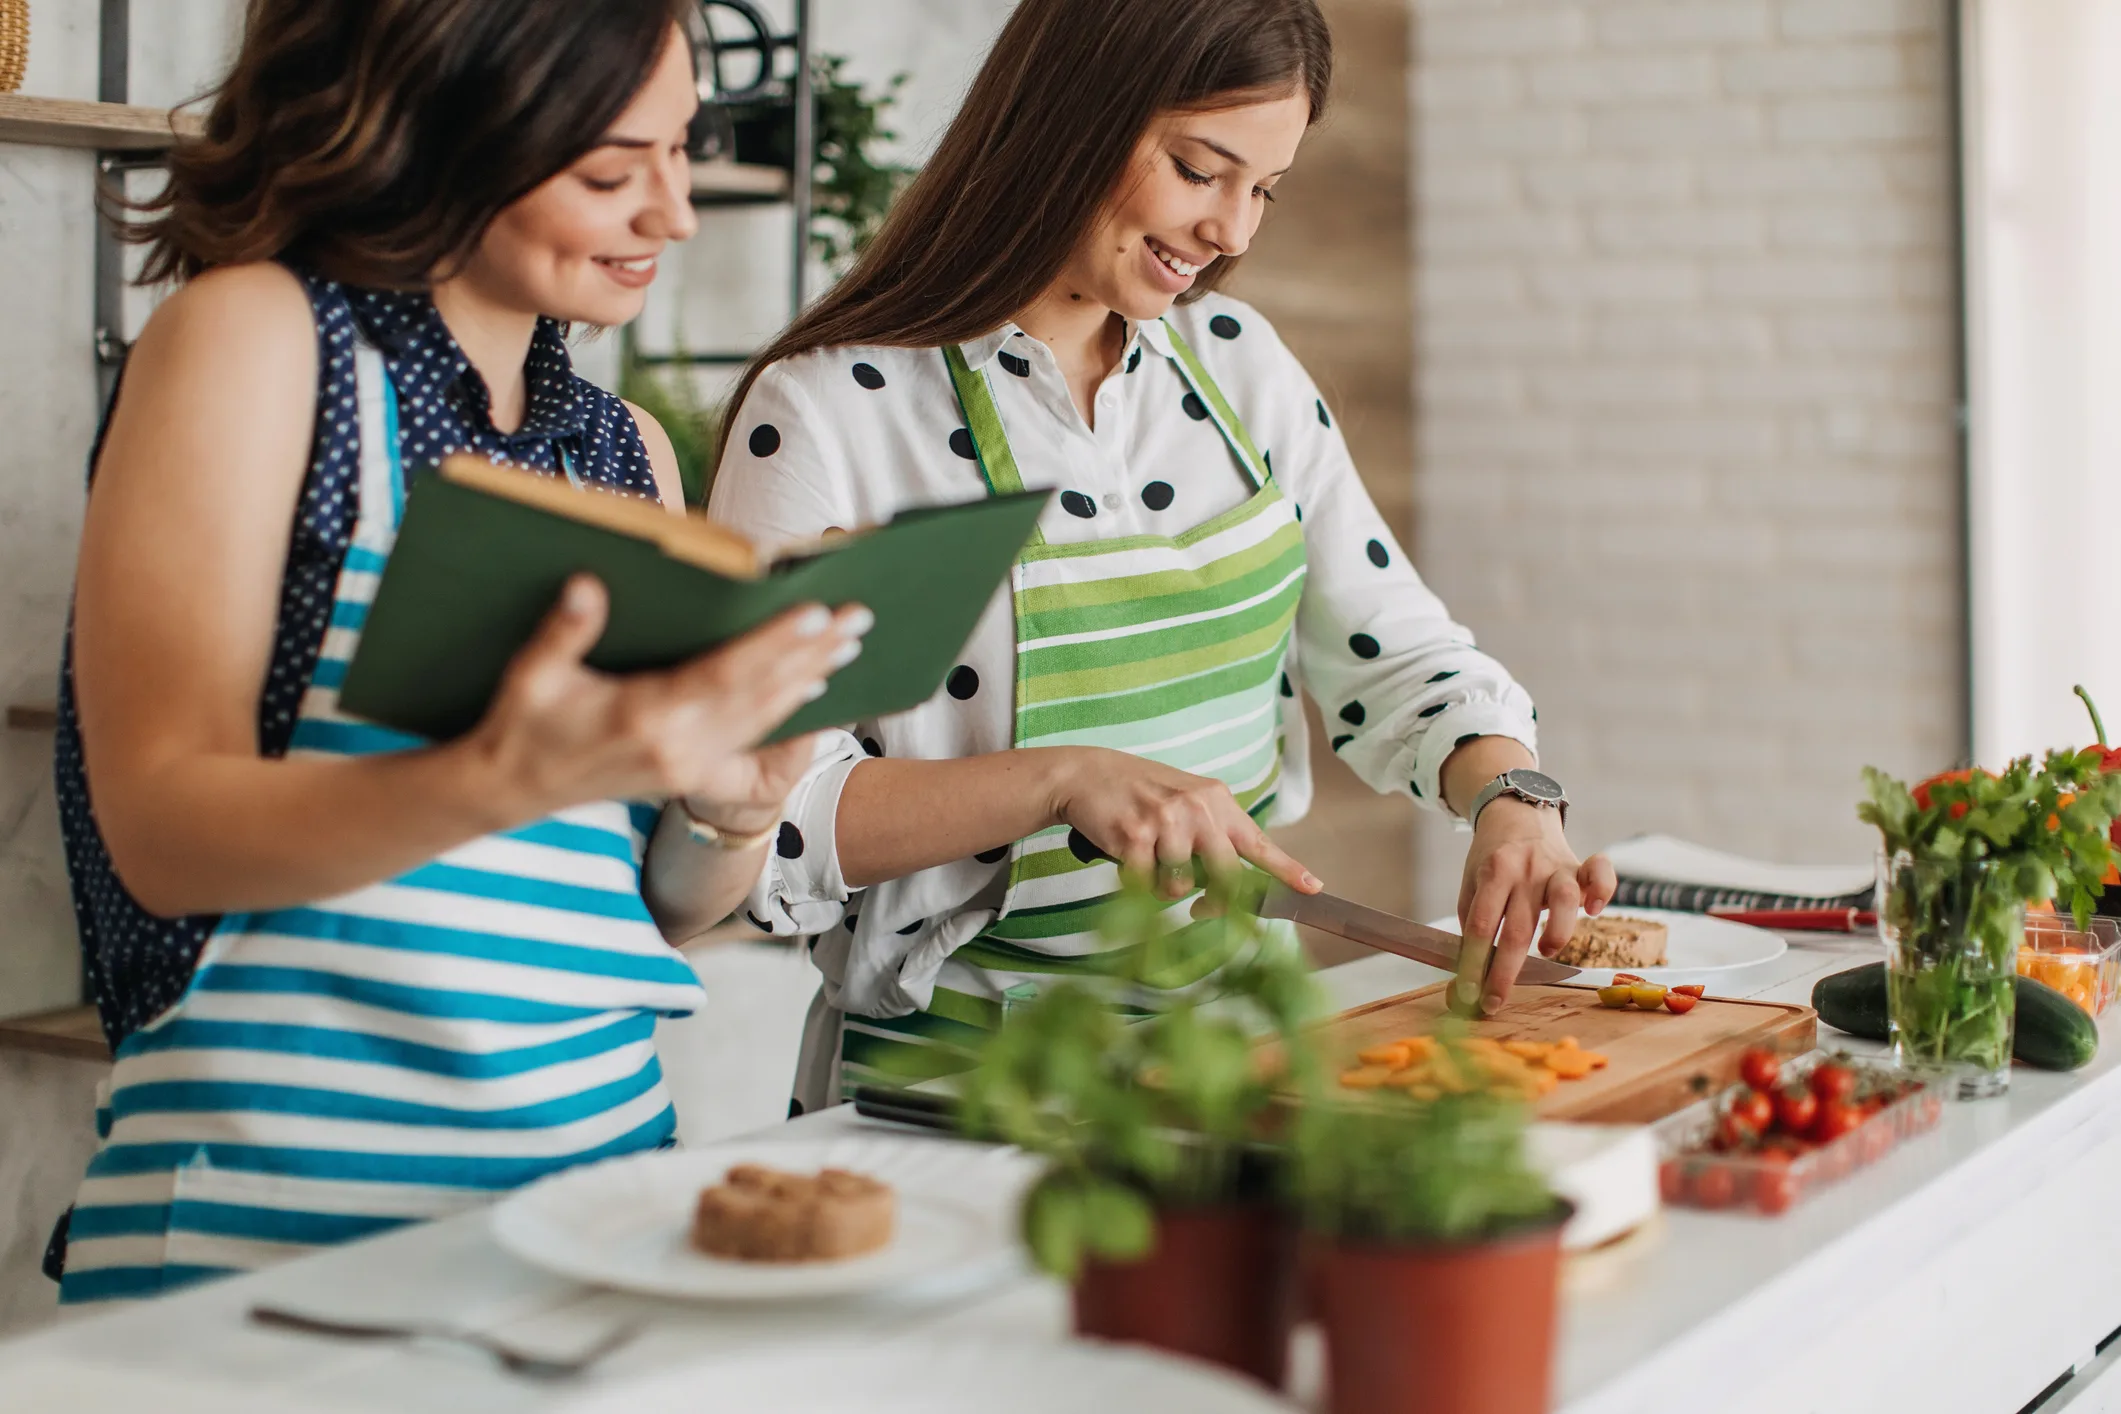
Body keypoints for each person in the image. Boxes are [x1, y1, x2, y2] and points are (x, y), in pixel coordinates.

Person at [48, 0, 868, 1303]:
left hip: (596, 1204)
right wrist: (502, 771)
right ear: (435, 130)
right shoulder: (260, 343)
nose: (675, 213)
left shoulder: (626, 454)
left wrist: (729, 813)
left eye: (682, 148)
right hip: (280, 1223)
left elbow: (641, 912)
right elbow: (159, 826)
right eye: (610, 169)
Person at [707, 0, 1617, 1112]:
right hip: (953, 1089)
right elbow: (767, 818)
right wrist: (1056, 780)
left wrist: (1511, 798)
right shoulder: (827, 411)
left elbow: (1395, 653)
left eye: (1264, 190)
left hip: (1239, 1063)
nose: (1233, 231)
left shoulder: (1239, 368)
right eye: (1200, 170)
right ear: (1070, 120)